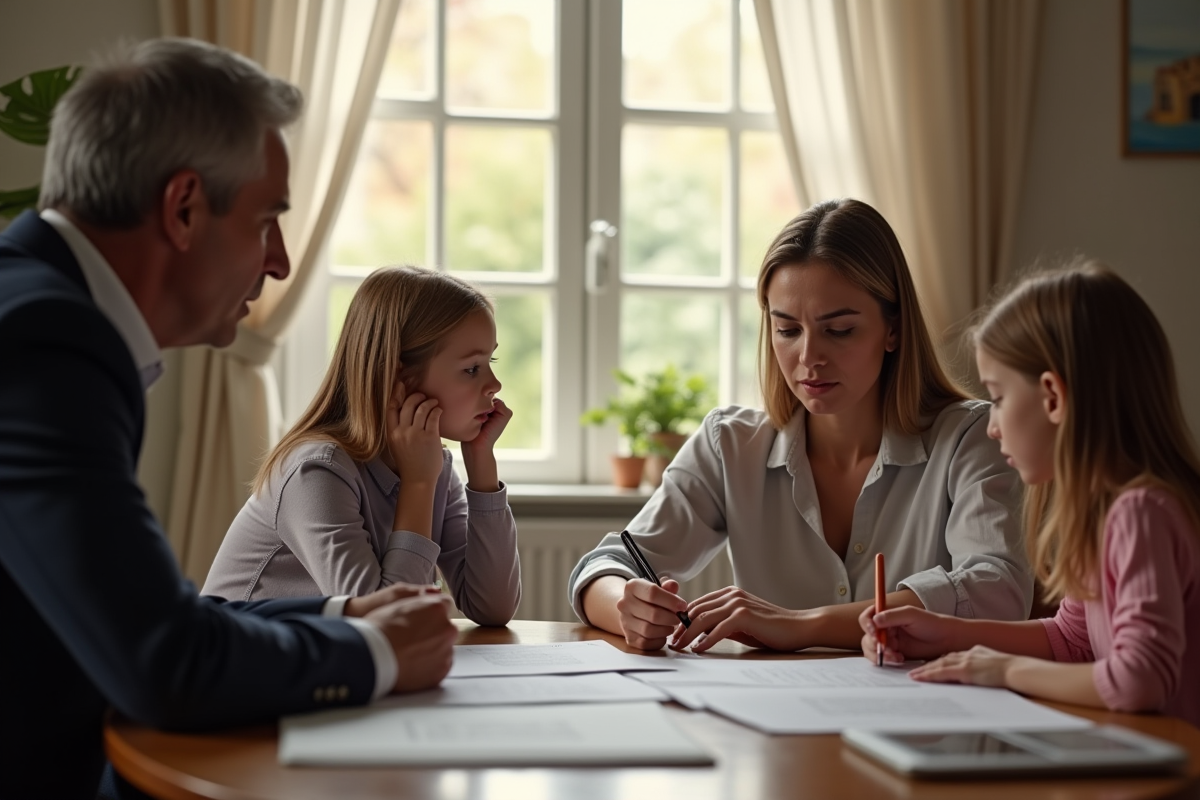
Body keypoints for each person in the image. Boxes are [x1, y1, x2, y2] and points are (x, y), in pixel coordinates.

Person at [0, 38, 457, 799]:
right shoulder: (45, 343)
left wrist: (345, 612)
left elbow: (140, 613)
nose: (278, 261)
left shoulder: (38, 310)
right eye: (267, 219)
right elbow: (162, 661)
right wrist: (373, 651)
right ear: (183, 209)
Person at [568, 198, 1033, 653]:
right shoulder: (729, 444)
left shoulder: (972, 437)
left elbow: (998, 591)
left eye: (840, 329)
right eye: (787, 330)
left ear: (893, 329)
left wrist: (802, 626)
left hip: (926, 722)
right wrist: (626, 606)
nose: (809, 358)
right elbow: (605, 566)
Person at [860, 263, 1200, 727]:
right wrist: (944, 633)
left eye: (998, 398)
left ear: (1053, 398)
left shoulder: (1140, 514)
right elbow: (1073, 640)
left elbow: (1139, 678)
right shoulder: (1104, 515)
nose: (993, 425)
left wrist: (1006, 671)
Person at [204, 266, 522, 626]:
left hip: (321, 669)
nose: (494, 384)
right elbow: (389, 625)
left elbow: (493, 608)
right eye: (472, 368)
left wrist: (482, 466)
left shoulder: (434, 467)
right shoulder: (317, 472)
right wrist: (419, 483)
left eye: (490, 362)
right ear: (399, 378)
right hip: (243, 673)